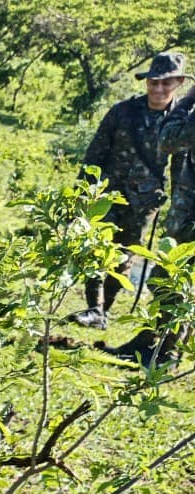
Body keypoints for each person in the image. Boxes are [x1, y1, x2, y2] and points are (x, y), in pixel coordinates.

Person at [68, 51, 187, 331]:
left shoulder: (179, 123)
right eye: (154, 82)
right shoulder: (122, 111)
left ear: (179, 83)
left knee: (124, 256)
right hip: (106, 193)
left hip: (144, 201)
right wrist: (81, 194)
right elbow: (95, 153)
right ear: (147, 82)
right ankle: (94, 307)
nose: (159, 89)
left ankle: (104, 311)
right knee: (96, 248)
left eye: (166, 83)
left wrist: (176, 209)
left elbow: (180, 169)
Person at [112, 76, 195, 366]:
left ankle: (164, 352)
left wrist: (187, 100)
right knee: (177, 279)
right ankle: (154, 343)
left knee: (173, 278)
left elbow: (168, 139)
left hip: (190, 218)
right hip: (187, 213)